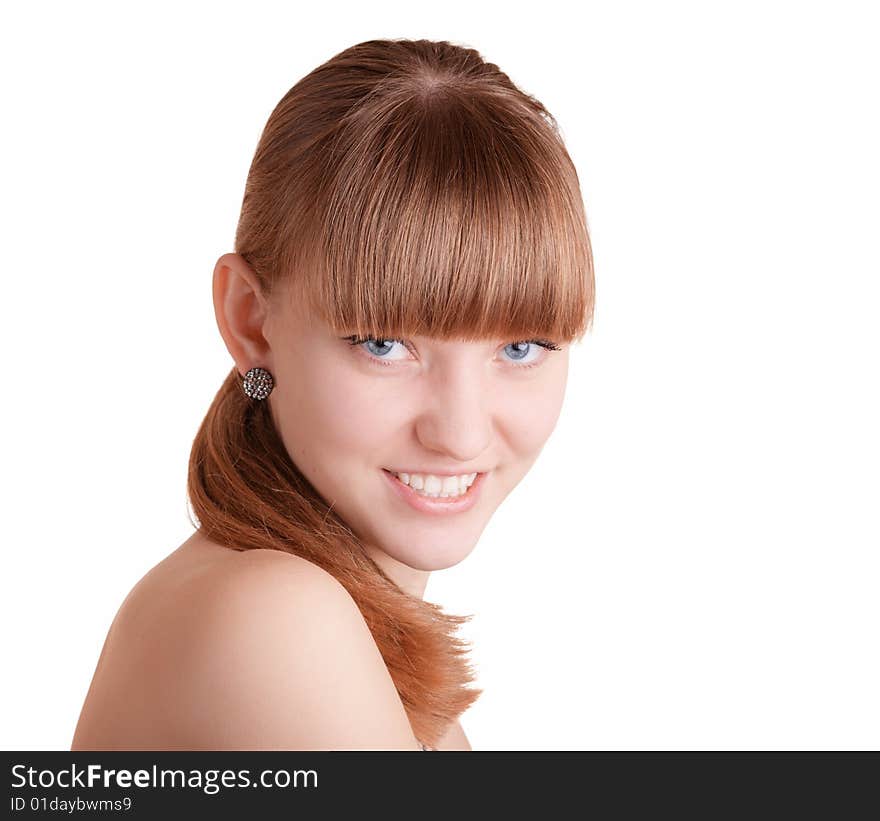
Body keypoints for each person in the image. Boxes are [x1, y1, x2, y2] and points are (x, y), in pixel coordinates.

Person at [70, 37, 594, 752]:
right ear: (251, 321)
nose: (462, 433)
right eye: (384, 342)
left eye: (521, 347)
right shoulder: (275, 619)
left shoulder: (357, 635)